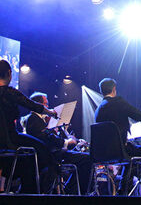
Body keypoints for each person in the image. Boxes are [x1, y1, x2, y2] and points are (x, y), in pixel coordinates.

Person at [94, 78, 141, 196]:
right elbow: (140, 115)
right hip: (120, 150)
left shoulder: (98, 110)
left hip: (103, 153)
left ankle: (122, 190)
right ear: (114, 89)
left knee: (131, 156)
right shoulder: (119, 102)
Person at [0, 59, 57, 193]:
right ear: (9, 73)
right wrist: (50, 112)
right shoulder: (9, 92)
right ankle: (31, 192)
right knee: (42, 150)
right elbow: (31, 105)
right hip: (10, 139)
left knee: (29, 158)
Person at [25, 92, 91, 194]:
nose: (47, 107)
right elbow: (46, 139)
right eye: (46, 104)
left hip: (53, 153)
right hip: (50, 156)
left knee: (84, 158)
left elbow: (48, 137)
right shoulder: (33, 119)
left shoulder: (38, 119)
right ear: (38, 104)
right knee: (87, 159)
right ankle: (75, 192)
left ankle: (71, 190)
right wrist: (66, 142)